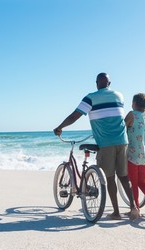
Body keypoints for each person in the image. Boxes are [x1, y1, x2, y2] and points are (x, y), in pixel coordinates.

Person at [53, 73, 139, 220]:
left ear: (96, 83)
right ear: (109, 83)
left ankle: (116, 213)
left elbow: (74, 116)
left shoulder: (90, 97)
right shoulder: (119, 95)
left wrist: (59, 127)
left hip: (106, 143)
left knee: (109, 178)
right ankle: (134, 208)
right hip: (122, 140)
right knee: (124, 177)